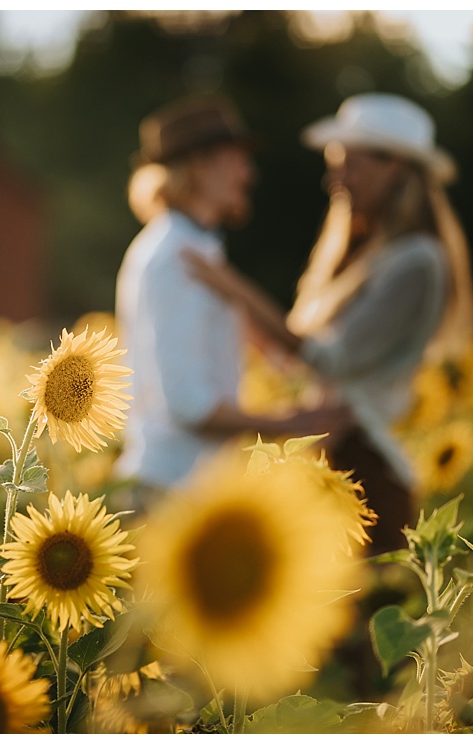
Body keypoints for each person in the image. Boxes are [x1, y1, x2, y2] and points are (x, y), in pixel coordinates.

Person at [183, 93, 473, 552]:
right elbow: (298, 357)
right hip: (327, 460)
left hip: (366, 475)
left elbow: (330, 359)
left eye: (350, 166)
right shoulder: (362, 253)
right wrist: (230, 312)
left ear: (396, 168)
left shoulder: (419, 262)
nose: (334, 180)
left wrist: (233, 287)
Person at [112, 94, 346, 509]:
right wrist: (290, 423)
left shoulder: (193, 248)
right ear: (200, 167)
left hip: (187, 486)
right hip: (170, 492)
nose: (248, 174)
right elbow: (188, 405)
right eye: (236, 159)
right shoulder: (175, 259)